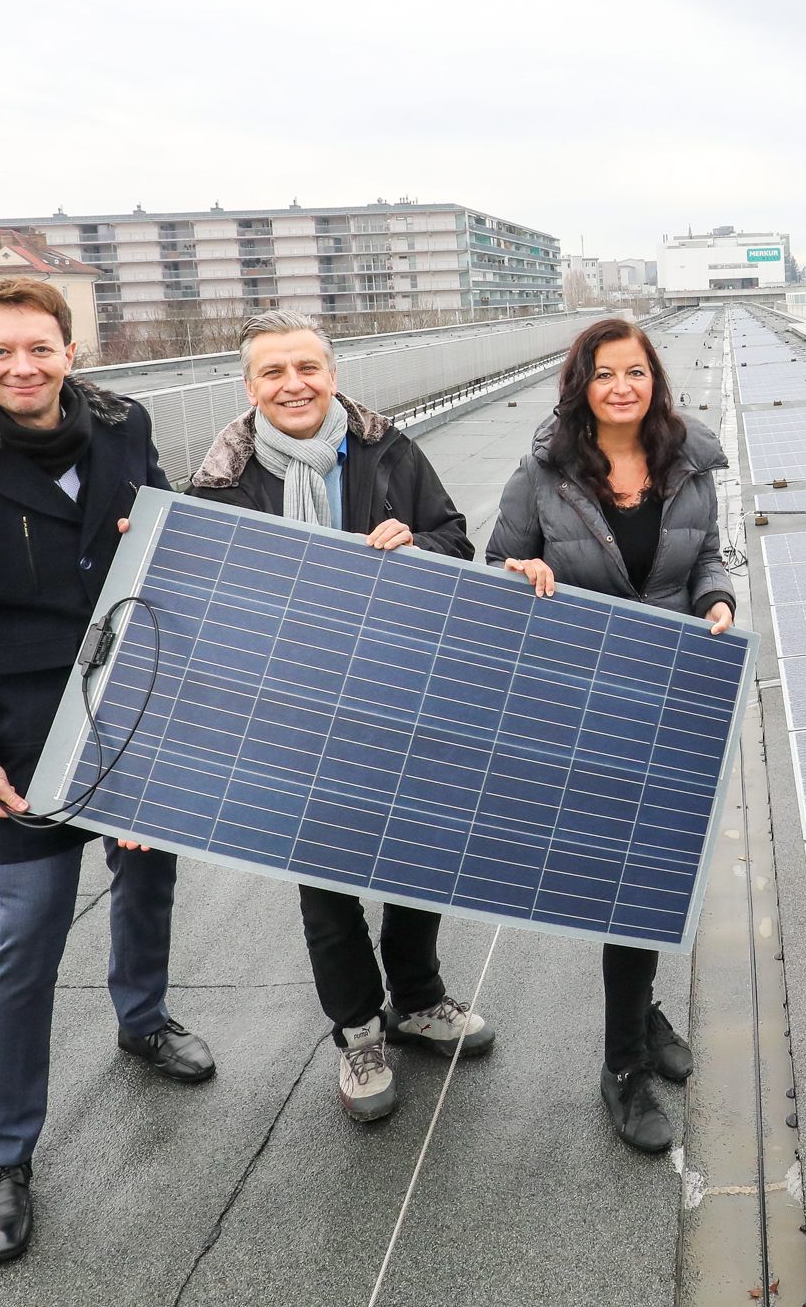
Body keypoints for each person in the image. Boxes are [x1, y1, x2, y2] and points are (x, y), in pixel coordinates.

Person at [0, 278, 215, 1263]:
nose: (23, 367)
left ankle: (143, 1018)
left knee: (148, 876)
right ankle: (2, 1158)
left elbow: (161, 549)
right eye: (1, 353)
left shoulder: (124, 430)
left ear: (70, 350)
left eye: (40, 347)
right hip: (28, 735)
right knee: (27, 933)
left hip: (136, 704)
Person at [188, 309, 491, 1123]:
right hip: (293, 711)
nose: (293, 385)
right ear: (248, 385)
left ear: (332, 372)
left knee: (417, 860)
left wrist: (416, 547)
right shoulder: (220, 480)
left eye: (306, 368)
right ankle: (359, 1029)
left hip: (397, 695)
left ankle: (419, 996)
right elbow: (207, 603)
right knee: (326, 889)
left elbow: (456, 539)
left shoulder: (387, 449)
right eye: (272, 373)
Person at [485, 316, 733, 1154]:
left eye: (635, 372)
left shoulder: (689, 463)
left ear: (654, 380)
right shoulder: (542, 474)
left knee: (657, 871)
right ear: (580, 386)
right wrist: (524, 572)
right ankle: (623, 1066)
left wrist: (717, 602)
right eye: (604, 373)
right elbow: (495, 569)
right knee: (620, 879)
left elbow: (709, 558)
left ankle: (642, 1006)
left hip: (667, 692)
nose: (622, 386)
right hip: (582, 699)